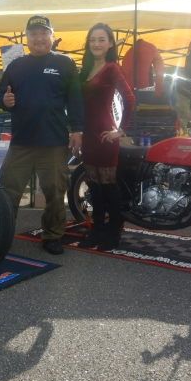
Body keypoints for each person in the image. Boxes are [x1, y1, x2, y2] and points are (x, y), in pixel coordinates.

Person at [0, 15, 84, 255]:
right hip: (22, 142)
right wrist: (4, 101)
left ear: (52, 36)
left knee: (55, 192)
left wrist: (78, 129)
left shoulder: (65, 63)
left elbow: (76, 99)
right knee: (8, 190)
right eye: (33, 34)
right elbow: (1, 95)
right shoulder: (16, 65)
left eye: (43, 33)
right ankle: (2, 234)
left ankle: (53, 235)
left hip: (53, 142)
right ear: (27, 38)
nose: (39, 38)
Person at [77, 23, 135, 250]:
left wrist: (120, 130)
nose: (96, 44)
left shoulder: (112, 68)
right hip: (88, 136)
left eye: (101, 39)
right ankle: (97, 230)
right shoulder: (85, 69)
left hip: (105, 136)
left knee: (109, 187)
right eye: (92, 40)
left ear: (110, 43)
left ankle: (114, 231)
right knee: (94, 187)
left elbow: (130, 99)